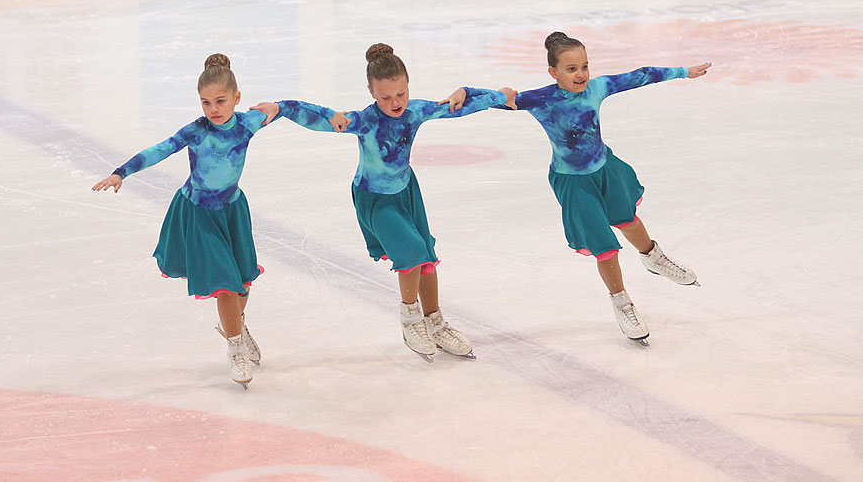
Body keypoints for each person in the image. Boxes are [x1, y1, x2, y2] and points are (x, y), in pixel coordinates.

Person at [253, 43, 517, 362]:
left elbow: (461, 106)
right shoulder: (365, 121)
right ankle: (410, 319)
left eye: (401, 94)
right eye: (386, 97)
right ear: (371, 91)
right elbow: (319, 117)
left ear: (408, 85)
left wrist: (493, 94)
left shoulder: (416, 111)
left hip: (406, 191)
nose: (395, 103)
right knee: (410, 253)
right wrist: (280, 107)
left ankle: (434, 322)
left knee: (426, 258)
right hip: (375, 197)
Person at [91, 53, 314, 388]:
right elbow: (159, 150)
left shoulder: (247, 123)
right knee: (225, 280)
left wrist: (278, 106)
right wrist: (121, 172)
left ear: (236, 99)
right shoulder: (196, 132)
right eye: (206, 102)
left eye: (220, 101)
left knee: (243, 278)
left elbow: (287, 110)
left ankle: (235, 323)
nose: (213, 109)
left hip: (233, 209)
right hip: (199, 213)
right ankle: (235, 347)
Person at [500, 31, 711, 345]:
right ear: (553, 72)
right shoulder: (541, 98)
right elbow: (501, 103)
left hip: (605, 168)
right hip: (573, 181)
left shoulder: (597, 87)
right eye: (571, 69)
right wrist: (493, 95)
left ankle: (653, 257)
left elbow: (641, 76)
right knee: (605, 246)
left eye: (584, 66)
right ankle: (622, 302)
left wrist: (684, 72)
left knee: (627, 219)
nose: (581, 74)